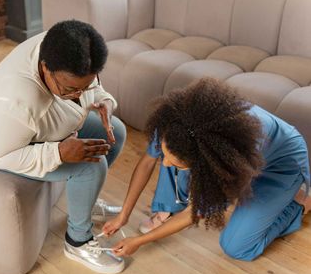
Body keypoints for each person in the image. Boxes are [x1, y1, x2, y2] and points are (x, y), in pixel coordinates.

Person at [0, 20, 126, 274]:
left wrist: (102, 100)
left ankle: (85, 203)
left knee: (116, 131)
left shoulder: (62, 48)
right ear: (45, 69)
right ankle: (77, 241)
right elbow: (0, 154)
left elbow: (89, 86)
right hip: (4, 147)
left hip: (42, 127)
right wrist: (59, 152)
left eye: (86, 86)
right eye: (72, 89)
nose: (79, 96)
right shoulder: (18, 98)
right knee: (90, 165)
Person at [103, 78, 310, 261]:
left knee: (236, 248)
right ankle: (169, 206)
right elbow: (148, 162)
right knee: (173, 159)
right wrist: (124, 215)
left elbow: (195, 212)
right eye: (164, 154)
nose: (164, 164)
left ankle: (300, 203)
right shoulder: (176, 126)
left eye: (174, 162)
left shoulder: (225, 160)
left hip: (282, 166)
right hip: (245, 158)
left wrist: (140, 241)